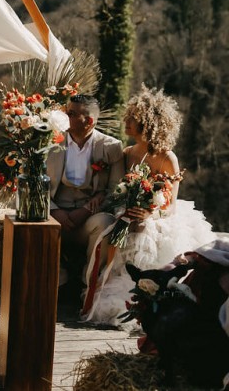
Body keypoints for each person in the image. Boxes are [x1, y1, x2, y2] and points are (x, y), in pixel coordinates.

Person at [82, 86, 215, 326]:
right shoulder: (127, 153)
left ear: (149, 122)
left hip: (158, 217)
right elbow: (117, 191)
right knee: (121, 227)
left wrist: (150, 212)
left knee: (144, 230)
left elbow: (171, 206)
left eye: (133, 118)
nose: (127, 121)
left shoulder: (167, 157)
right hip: (128, 214)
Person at [47, 94, 125, 285]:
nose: (66, 117)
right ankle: (57, 279)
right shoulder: (49, 142)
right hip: (53, 216)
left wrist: (85, 211)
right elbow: (35, 184)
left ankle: (89, 284)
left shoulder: (111, 147)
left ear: (89, 121)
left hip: (88, 218)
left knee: (106, 223)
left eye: (72, 114)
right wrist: (55, 210)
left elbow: (117, 191)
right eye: (67, 112)